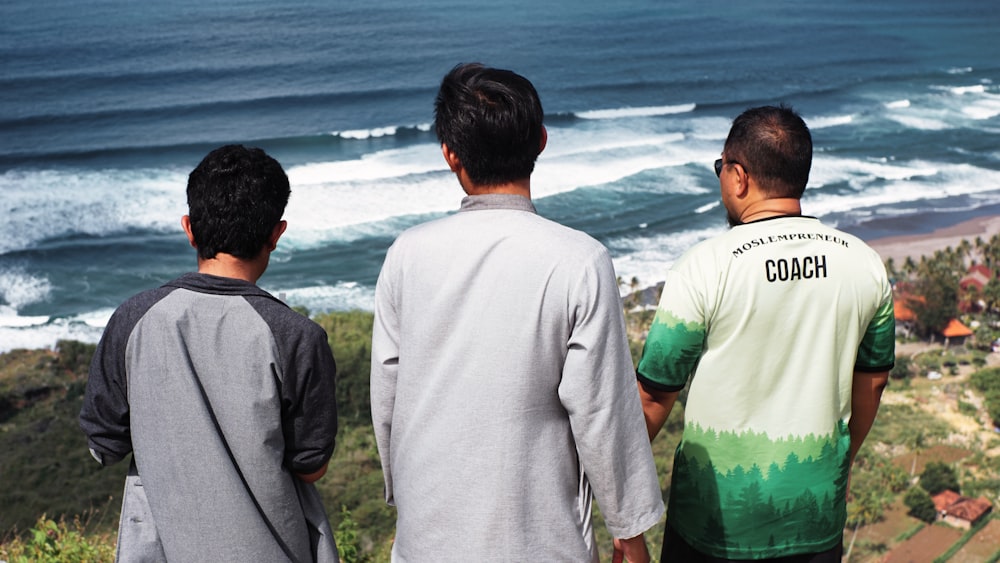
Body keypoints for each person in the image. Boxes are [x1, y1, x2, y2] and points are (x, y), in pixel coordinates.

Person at [370, 63, 664, 562]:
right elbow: (602, 412)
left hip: (428, 540)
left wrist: (409, 499)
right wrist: (630, 535)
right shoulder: (579, 259)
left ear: (450, 154)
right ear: (542, 141)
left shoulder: (407, 253)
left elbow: (388, 392)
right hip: (540, 540)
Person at [636, 105, 895, 562]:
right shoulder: (865, 263)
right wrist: (841, 463)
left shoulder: (705, 265)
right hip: (815, 513)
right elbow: (872, 382)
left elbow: (654, 397)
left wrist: (618, 494)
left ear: (738, 176)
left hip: (711, 523)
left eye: (721, 168)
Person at [79, 145, 339, 562]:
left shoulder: (133, 319)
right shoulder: (297, 336)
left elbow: (103, 445)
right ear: (277, 233)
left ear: (189, 228)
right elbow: (311, 465)